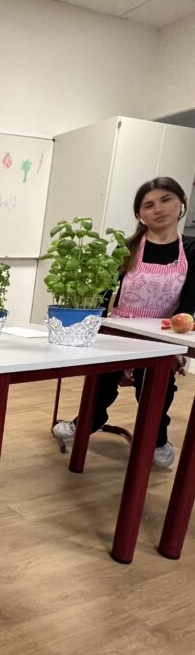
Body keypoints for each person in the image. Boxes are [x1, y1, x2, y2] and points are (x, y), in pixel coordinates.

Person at [53, 176, 195, 468]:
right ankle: (88, 420)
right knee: (100, 383)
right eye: (149, 205)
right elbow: (105, 293)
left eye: (166, 199)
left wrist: (176, 344)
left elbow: (189, 303)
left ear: (182, 202)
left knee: (155, 390)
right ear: (139, 214)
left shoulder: (192, 250)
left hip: (161, 335)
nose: (158, 209)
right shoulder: (126, 248)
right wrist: (94, 330)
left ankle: (157, 438)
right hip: (119, 329)